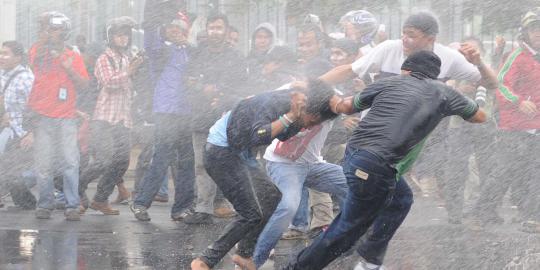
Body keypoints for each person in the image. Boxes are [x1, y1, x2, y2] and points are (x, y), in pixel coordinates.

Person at [316, 11, 497, 269]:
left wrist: (479, 62)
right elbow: (348, 70)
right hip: (371, 142)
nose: (404, 39)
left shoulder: (448, 58)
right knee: (369, 207)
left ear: (430, 38)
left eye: (411, 35)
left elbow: (491, 83)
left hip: (402, 145)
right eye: (403, 32)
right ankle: (331, 257)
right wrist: (310, 85)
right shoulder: (388, 49)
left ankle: (363, 256)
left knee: (393, 200)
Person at [285, 50, 487, 270]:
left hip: (359, 157)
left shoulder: (389, 83)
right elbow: (479, 117)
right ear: (435, 75)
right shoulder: (446, 93)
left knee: (401, 199)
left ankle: (370, 259)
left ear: (406, 69)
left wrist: (326, 94)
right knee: (347, 229)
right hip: (377, 166)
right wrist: (476, 98)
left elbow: (345, 107)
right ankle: (300, 267)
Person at [190, 79, 339, 270]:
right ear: (307, 109)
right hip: (220, 152)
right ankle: (205, 260)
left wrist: (294, 119)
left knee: (272, 196)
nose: (311, 126)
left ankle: (244, 254)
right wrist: (290, 116)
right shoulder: (277, 103)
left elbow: (283, 135)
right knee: (250, 213)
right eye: (312, 121)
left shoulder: (296, 107)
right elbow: (259, 135)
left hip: (240, 153)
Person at [252, 98, 349, 267]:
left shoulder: (333, 112)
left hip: (313, 165)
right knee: (288, 206)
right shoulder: (295, 112)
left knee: (357, 186)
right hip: (284, 165)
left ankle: (350, 239)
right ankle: (254, 259)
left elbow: (351, 103)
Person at [471, 7, 540, 231]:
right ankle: (484, 210)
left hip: (536, 126)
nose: (538, 32)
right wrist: (520, 101)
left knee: (532, 172)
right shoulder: (517, 56)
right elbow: (500, 85)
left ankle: (531, 216)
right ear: (526, 32)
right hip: (514, 126)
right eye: (534, 28)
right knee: (505, 171)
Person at [131, 0, 196, 222]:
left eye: (180, 28)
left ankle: (182, 208)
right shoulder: (159, 49)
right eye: (171, 27)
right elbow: (149, 31)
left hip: (187, 113)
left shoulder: (191, 52)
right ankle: (140, 203)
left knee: (188, 161)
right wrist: (155, 8)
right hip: (166, 112)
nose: (175, 31)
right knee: (162, 157)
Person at [183, 13, 247, 224]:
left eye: (219, 28)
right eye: (212, 27)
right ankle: (203, 208)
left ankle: (239, 205)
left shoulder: (236, 57)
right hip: (201, 118)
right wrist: (203, 89)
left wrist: (220, 95)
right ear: (207, 30)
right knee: (201, 165)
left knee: (230, 165)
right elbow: (188, 82)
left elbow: (241, 86)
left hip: (226, 119)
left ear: (226, 30)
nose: (215, 32)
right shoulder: (198, 55)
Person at [27, 11, 89, 221]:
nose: (54, 33)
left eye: (58, 29)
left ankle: (72, 205)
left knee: (70, 162)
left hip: (66, 117)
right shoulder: (38, 51)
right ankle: (45, 203)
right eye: (51, 29)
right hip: (43, 116)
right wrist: (45, 36)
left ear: (65, 32)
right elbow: (34, 60)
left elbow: (85, 84)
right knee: (44, 163)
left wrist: (69, 69)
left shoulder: (73, 55)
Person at [78, 17, 142, 215]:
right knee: (104, 160)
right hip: (104, 119)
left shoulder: (126, 57)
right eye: (119, 35)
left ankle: (100, 198)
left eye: (126, 35)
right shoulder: (104, 58)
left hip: (123, 119)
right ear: (111, 37)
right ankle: (76, 186)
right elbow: (109, 82)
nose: (123, 39)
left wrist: (137, 70)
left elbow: (133, 86)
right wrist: (129, 71)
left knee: (122, 162)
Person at [0, 41, 35, 210]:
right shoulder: (4, 74)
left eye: (6, 53)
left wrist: (31, 132)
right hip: (13, 131)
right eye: (1, 53)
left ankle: (74, 197)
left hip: (24, 132)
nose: (1, 57)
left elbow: (36, 106)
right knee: (8, 169)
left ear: (18, 57)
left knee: (14, 170)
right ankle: (26, 204)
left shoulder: (25, 78)